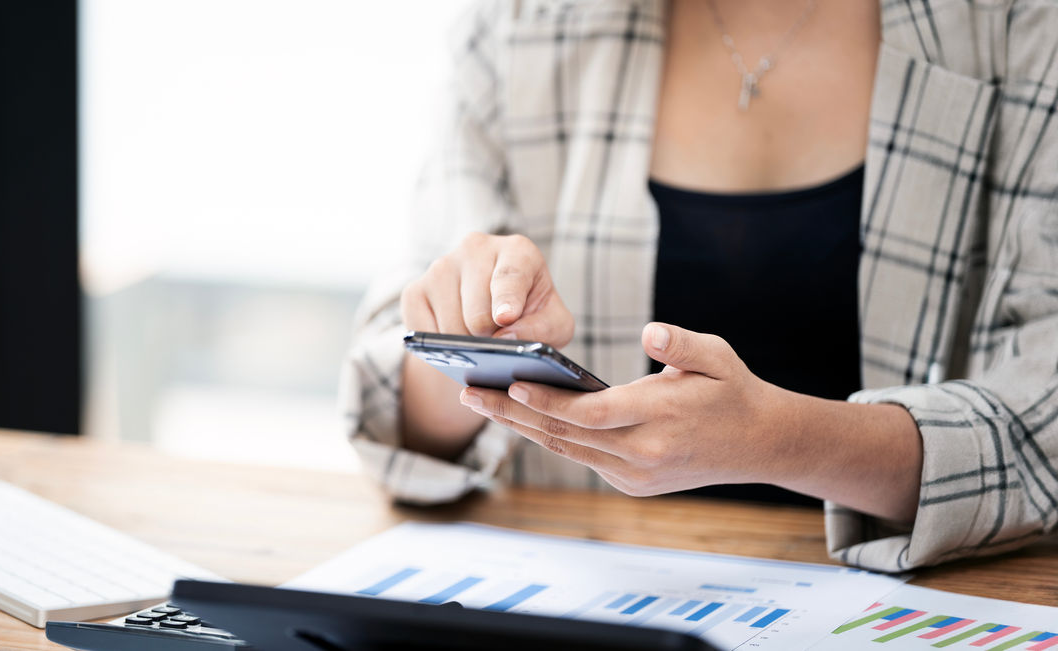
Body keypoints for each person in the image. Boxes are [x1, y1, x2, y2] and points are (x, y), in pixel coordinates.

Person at [339, 0, 1058, 573]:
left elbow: (1043, 432)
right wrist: (472, 343)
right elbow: (392, 417)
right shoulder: (516, 23)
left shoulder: (1015, 24)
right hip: (589, 597)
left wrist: (781, 440)